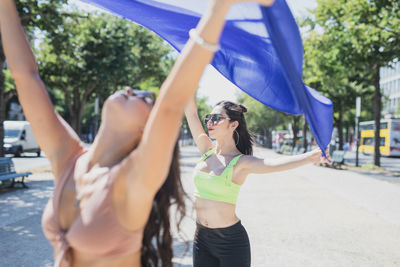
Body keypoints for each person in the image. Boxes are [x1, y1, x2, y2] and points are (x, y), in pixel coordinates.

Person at [0, 0, 276, 266]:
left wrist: (218, 8)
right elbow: (25, 74)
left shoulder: (134, 177)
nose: (136, 91)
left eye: (148, 99)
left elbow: (171, 104)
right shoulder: (72, 159)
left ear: (146, 131)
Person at [184, 99, 330, 267]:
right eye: (209, 117)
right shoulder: (207, 151)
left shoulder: (241, 163)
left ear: (233, 125)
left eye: (217, 118)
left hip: (231, 243)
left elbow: (273, 164)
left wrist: (310, 157)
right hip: (201, 238)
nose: (210, 122)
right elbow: (191, 113)